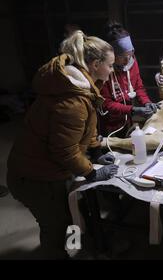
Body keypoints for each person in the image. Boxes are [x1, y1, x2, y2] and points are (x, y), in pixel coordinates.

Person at [7, 31, 119, 259]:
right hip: (35, 178)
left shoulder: (79, 86)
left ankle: (80, 251)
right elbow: (64, 150)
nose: (112, 70)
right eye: (110, 65)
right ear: (96, 64)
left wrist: (96, 151)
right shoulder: (72, 100)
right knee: (56, 229)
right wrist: (91, 173)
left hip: (48, 170)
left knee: (73, 217)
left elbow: (86, 129)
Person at [100, 22, 158, 137]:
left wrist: (147, 102)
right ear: (112, 56)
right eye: (122, 57)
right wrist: (132, 110)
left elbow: (138, 87)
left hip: (127, 121)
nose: (127, 61)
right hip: (109, 125)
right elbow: (106, 103)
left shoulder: (131, 62)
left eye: (130, 55)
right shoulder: (105, 70)